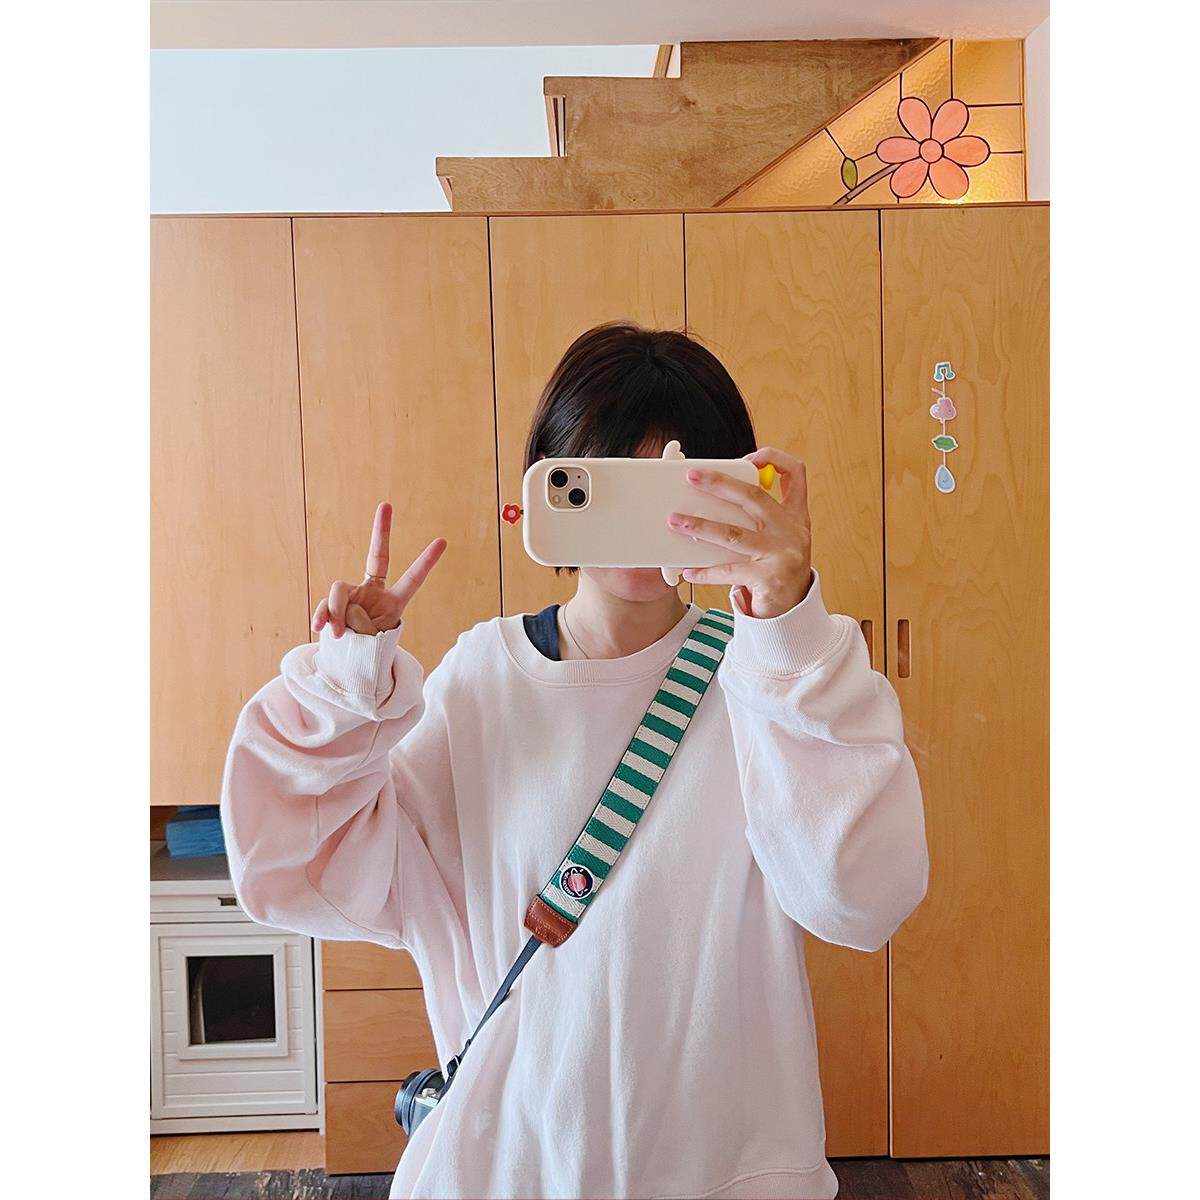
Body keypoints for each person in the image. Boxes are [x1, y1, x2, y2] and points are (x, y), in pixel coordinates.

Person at [221, 322, 928, 1199]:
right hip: (512, 1169)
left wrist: (788, 626)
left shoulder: (773, 676)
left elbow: (863, 899)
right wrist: (344, 685)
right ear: (546, 490)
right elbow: (296, 864)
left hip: (725, 1170)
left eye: (675, 483)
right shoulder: (484, 678)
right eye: (609, 484)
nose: (645, 523)